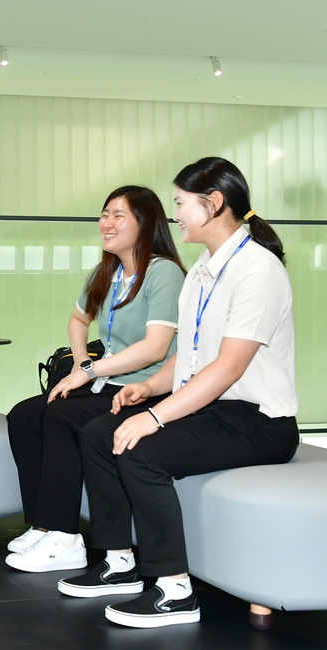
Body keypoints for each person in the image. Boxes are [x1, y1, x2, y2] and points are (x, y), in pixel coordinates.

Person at [61, 157, 299, 629]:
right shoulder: (203, 271)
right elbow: (189, 358)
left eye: (181, 204)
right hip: (213, 409)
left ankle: (174, 590)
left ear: (214, 204)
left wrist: (154, 417)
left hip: (260, 421)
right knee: (97, 433)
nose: (176, 216)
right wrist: (147, 388)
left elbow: (228, 367)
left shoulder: (258, 269)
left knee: (142, 452)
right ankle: (118, 562)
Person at [5, 186, 185, 573]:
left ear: (146, 222)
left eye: (118, 215)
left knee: (62, 416)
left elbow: (156, 348)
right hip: (106, 384)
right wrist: (81, 362)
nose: (106, 222)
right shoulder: (109, 272)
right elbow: (77, 320)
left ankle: (67, 537)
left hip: (145, 392)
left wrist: (89, 371)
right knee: (23, 415)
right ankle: (43, 524)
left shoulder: (163, 272)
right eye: (105, 213)